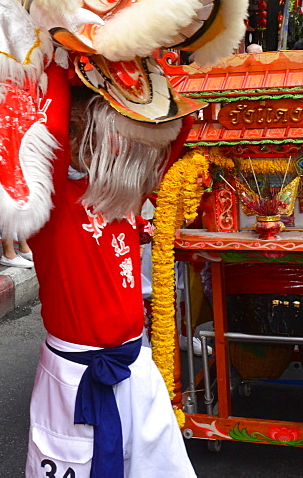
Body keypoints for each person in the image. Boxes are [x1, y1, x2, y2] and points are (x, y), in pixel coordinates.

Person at [25, 65, 195, 476]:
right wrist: (59, 63)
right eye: (80, 126)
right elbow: (49, 135)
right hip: (75, 373)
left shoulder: (122, 192)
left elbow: (175, 132)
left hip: (135, 364)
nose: (98, 138)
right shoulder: (47, 201)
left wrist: (144, 76)